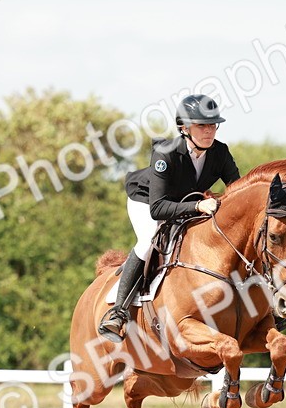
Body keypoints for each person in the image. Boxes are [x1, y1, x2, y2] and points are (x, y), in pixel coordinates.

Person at [98, 94, 242, 342]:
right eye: (202, 125)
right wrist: (198, 205)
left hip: (187, 203)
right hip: (147, 200)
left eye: (213, 125)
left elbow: (237, 190)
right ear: (184, 128)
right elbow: (158, 209)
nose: (209, 131)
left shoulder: (220, 152)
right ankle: (117, 312)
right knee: (148, 241)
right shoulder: (166, 154)